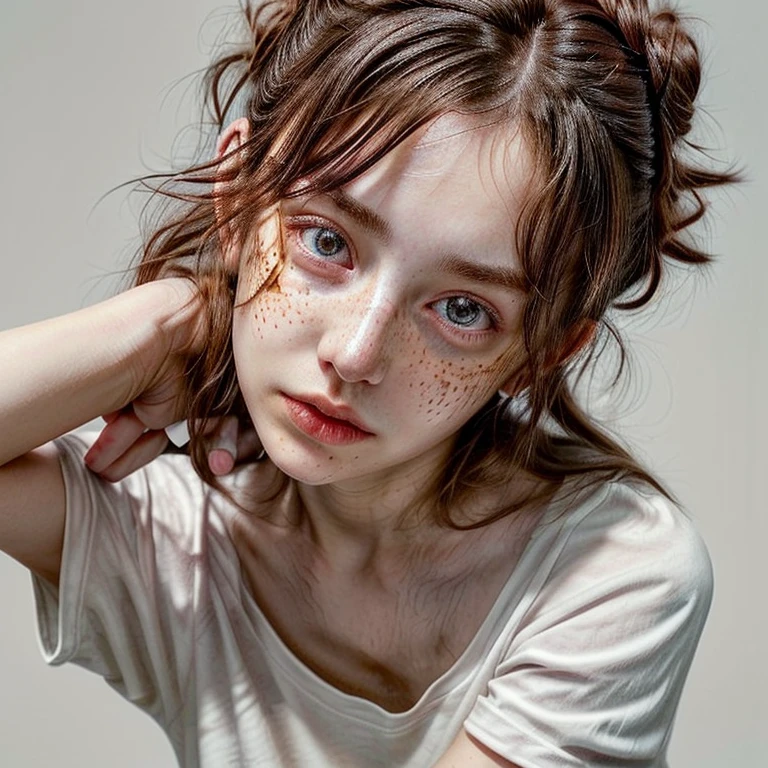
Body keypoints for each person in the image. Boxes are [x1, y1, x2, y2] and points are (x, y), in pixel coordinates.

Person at [0, 0, 739, 765]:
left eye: (461, 308)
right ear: (235, 199)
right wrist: (168, 322)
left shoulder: (610, 572)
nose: (356, 354)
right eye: (326, 242)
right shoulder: (180, 541)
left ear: (541, 351)